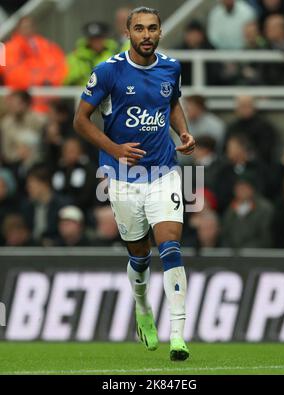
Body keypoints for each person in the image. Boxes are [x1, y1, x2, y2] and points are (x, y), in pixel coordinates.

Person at [74, 7, 195, 361]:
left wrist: (183, 131)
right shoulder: (109, 71)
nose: (146, 34)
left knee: (170, 243)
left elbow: (171, 102)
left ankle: (178, 334)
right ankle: (142, 307)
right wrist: (114, 149)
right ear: (128, 32)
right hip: (124, 178)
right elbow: (80, 120)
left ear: (160, 33)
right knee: (139, 253)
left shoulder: (171, 67)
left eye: (152, 28)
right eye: (139, 28)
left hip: (163, 171)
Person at [1, 16, 67, 112]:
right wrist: (42, 79)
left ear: (35, 28)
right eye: (24, 27)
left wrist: (49, 81)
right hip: (20, 103)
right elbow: (13, 75)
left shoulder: (48, 46)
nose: (27, 30)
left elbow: (62, 69)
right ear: (17, 29)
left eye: (30, 26)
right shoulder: (7, 49)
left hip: (50, 105)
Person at [64, 22, 118, 86]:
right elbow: (66, 80)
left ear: (104, 38)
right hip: (81, 94)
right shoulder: (75, 56)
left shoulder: (115, 55)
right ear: (88, 39)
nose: (96, 42)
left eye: (99, 38)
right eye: (92, 39)